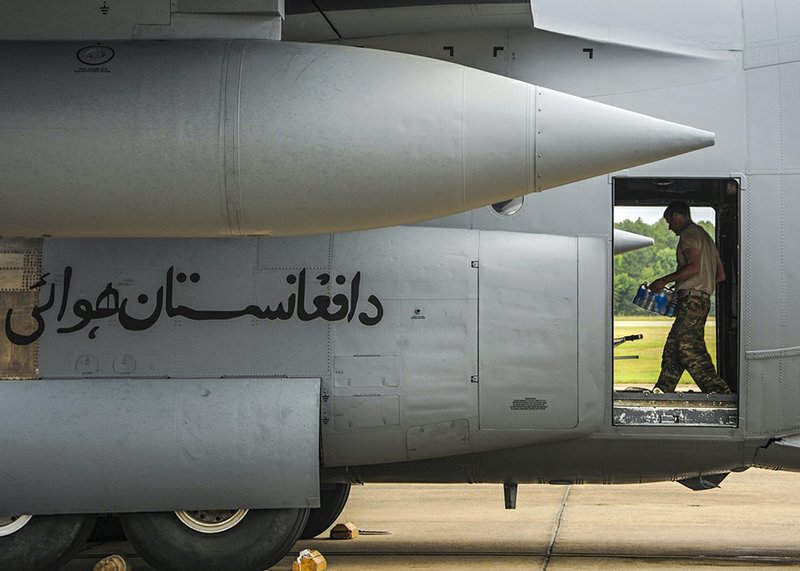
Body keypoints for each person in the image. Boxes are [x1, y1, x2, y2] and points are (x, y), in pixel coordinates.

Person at [649, 201, 732, 394]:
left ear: (678, 216)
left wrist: (664, 281)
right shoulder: (705, 237)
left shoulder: (689, 235)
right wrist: (700, 285)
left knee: (688, 347)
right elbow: (720, 276)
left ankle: (718, 391)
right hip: (700, 300)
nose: (670, 227)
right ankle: (663, 390)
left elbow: (693, 267)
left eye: (670, 221)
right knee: (673, 348)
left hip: (692, 300)